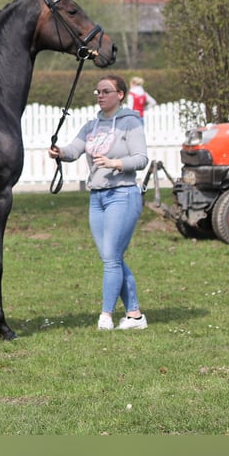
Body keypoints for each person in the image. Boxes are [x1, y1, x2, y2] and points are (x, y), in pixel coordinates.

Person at [48, 75, 149, 331]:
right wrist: (59, 152)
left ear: (120, 94)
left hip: (123, 194)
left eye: (106, 91)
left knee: (112, 258)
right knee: (110, 257)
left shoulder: (130, 123)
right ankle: (135, 316)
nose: (100, 95)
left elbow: (141, 159)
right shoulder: (91, 125)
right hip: (97, 197)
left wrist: (116, 163)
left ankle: (106, 316)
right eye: (98, 92)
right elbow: (74, 150)